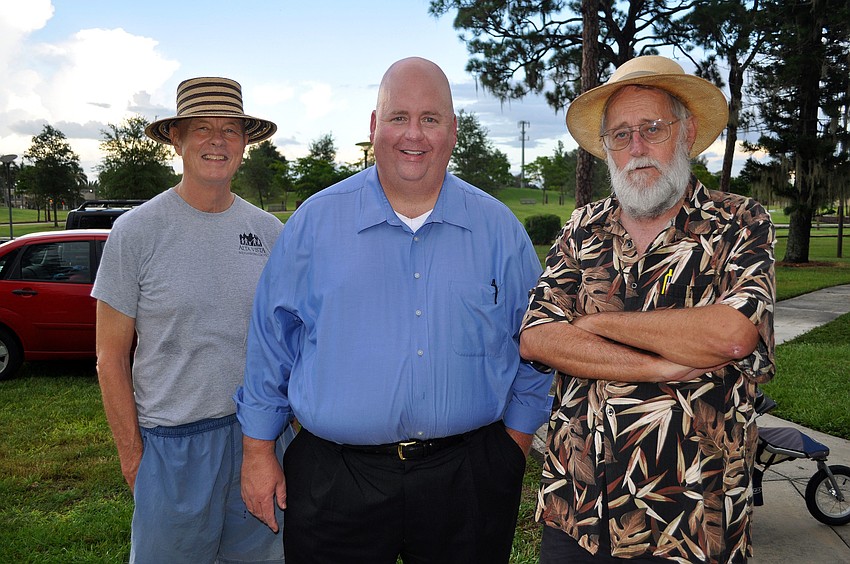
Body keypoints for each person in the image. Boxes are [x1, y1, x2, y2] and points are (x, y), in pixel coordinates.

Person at [234, 57, 551, 563]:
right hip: (335, 482)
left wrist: (512, 445)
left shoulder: (499, 231)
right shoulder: (314, 224)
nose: (414, 134)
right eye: (399, 116)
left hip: (467, 476)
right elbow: (270, 343)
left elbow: (538, 342)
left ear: (453, 130)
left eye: (431, 118)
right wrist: (256, 452)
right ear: (374, 126)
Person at [519, 55, 776, 563]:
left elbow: (730, 335)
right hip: (577, 514)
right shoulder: (582, 229)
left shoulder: (739, 222)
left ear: (687, 131)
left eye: (652, 129)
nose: (636, 148)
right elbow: (537, 337)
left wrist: (592, 324)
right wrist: (661, 363)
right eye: (620, 135)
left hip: (693, 522)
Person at [93, 77, 294, 563]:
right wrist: (134, 458)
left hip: (259, 438)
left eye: (230, 129)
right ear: (176, 140)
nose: (217, 140)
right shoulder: (135, 232)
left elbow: (291, 341)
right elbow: (110, 356)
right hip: (172, 445)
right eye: (202, 128)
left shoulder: (269, 232)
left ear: (246, 142)